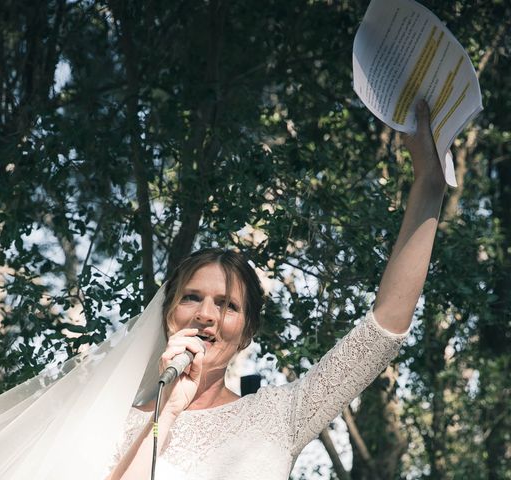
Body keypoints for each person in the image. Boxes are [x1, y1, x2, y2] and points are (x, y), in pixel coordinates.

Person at [106, 100, 447, 480]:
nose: (206, 314)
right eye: (191, 297)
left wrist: (428, 186)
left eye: (227, 305)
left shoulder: (281, 414)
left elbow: (382, 330)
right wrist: (167, 409)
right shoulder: (117, 425)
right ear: (169, 313)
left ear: (247, 334)